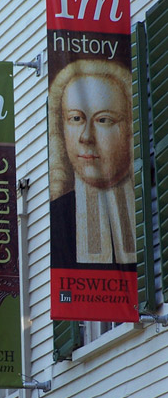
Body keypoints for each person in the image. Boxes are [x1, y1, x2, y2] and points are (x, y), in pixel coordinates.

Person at [49, 59, 136, 269]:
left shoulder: (150, 202)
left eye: (104, 120)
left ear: (129, 129)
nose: (86, 137)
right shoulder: (58, 216)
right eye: (76, 118)